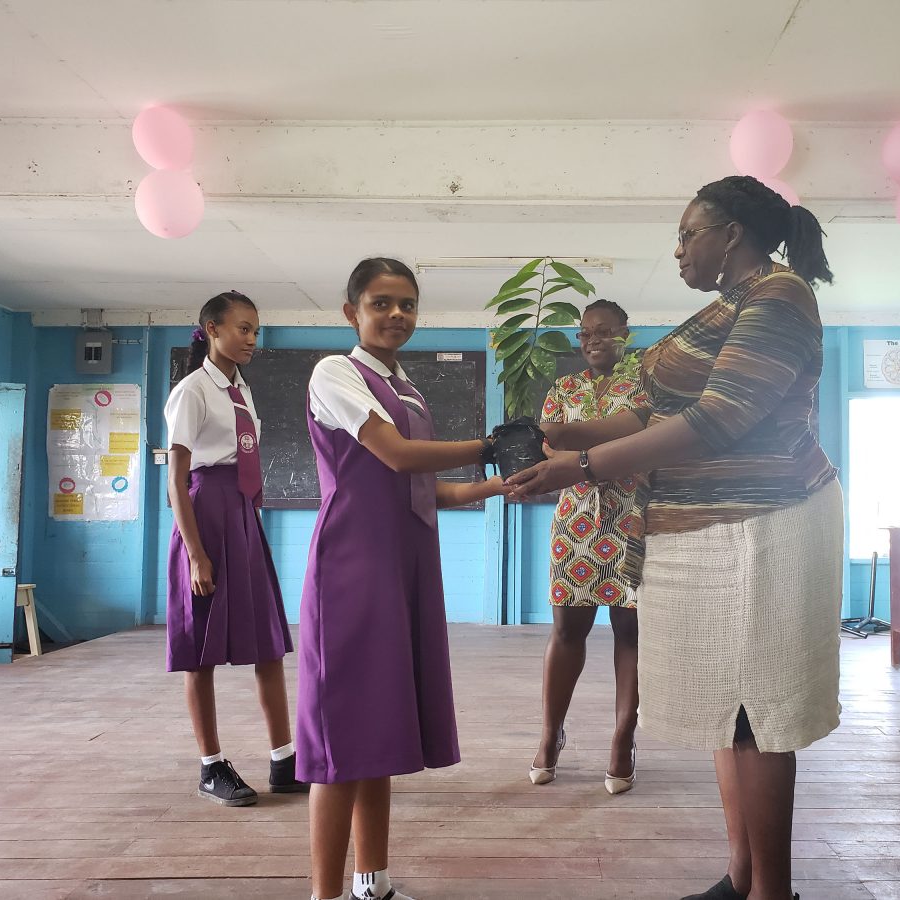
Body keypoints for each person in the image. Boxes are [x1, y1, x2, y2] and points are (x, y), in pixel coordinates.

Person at [508, 176, 843, 900]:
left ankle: (772, 893)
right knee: (729, 704)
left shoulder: (778, 297)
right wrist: (561, 441)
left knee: (758, 712)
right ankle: (740, 877)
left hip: (764, 525)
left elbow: (718, 420)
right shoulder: (723, 310)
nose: (680, 248)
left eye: (689, 233)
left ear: (731, 234)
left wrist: (584, 467)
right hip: (706, 531)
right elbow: (649, 415)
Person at [297, 258, 509, 900]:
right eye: (382, 303)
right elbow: (392, 453)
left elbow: (423, 483)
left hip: (407, 562)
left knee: (378, 727)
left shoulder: (406, 384)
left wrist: (496, 484)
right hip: (354, 567)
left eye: (408, 304)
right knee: (341, 740)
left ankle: (374, 885)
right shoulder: (336, 372)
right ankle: (325, 894)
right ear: (351, 312)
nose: (397, 315)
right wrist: (490, 445)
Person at [163, 290, 304, 807]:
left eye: (255, 330)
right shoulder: (193, 391)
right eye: (241, 328)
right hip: (205, 516)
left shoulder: (240, 391)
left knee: (268, 642)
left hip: (243, 517)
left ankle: (285, 760)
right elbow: (178, 480)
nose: (250, 339)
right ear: (212, 329)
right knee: (200, 650)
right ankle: (211, 766)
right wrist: (197, 554)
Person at [530, 299, 649, 794]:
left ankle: (623, 739)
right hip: (575, 525)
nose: (593, 340)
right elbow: (547, 449)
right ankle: (550, 734)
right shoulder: (563, 388)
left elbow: (643, 433)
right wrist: (574, 445)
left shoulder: (648, 384)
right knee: (566, 631)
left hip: (633, 521)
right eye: (585, 334)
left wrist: (570, 441)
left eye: (604, 331)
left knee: (631, 632)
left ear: (626, 332)